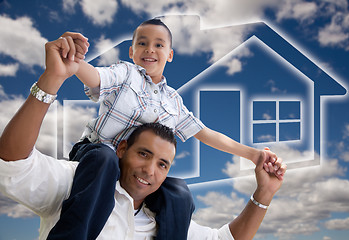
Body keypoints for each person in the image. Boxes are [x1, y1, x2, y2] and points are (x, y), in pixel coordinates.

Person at [0, 33, 287, 238]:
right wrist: (68, 67)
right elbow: (96, 77)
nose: (149, 49)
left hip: (121, 167)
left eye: (159, 44)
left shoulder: (173, 101)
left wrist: (253, 156)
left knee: (179, 193)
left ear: (170, 55)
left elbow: (206, 134)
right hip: (95, 159)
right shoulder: (126, 75)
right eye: (142, 43)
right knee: (104, 158)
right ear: (132, 51)